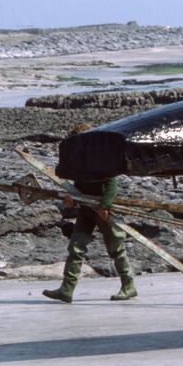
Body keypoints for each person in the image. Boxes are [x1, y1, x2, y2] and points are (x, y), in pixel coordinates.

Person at [43, 124, 138, 303]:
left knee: (116, 247)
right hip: (86, 209)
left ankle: (128, 286)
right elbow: (78, 186)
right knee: (76, 248)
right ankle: (66, 289)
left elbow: (111, 184)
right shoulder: (77, 160)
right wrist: (72, 200)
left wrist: (105, 206)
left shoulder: (99, 158)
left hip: (103, 207)